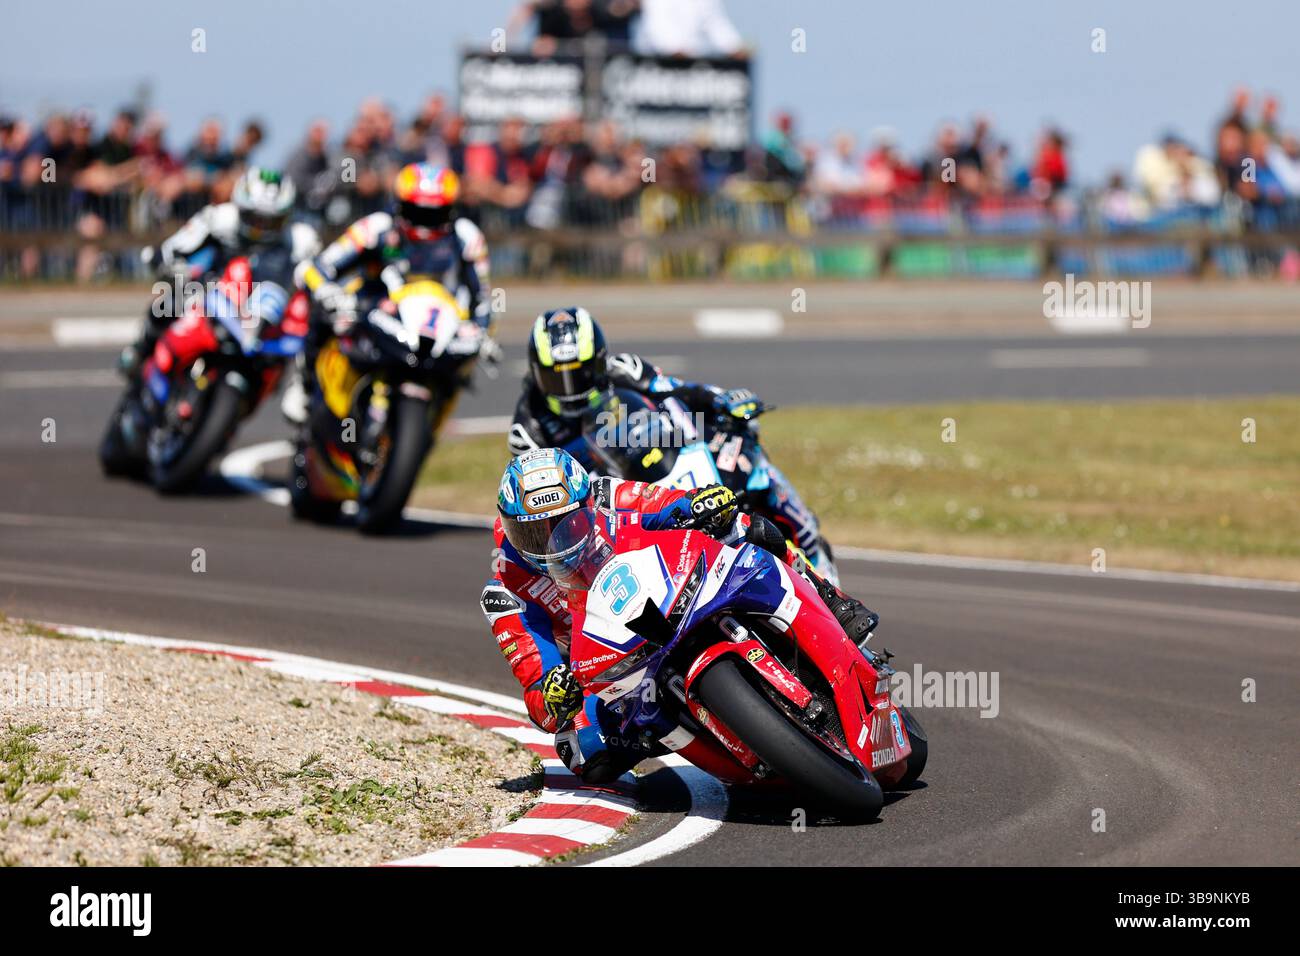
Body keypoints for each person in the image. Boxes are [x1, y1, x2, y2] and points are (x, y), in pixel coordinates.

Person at [482, 448, 879, 783]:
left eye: (566, 523)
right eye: (533, 533)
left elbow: (659, 503)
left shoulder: (605, 494)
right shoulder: (507, 592)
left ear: (586, 505)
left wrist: (698, 503)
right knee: (583, 752)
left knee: (740, 526)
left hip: (662, 590)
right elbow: (536, 685)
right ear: (509, 529)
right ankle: (675, 736)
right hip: (605, 668)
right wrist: (553, 695)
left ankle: (832, 599)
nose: (554, 541)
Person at [507, 306, 838, 581]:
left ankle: (809, 542)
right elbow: (538, 513)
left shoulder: (624, 370)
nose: (568, 388)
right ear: (536, 372)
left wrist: (723, 399)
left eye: (577, 373)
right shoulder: (528, 429)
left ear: (598, 362)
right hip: (602, 507)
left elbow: (678, 389)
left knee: (744, 453)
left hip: (662, 463)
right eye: (556, 376)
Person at [285, 162, 494, 424]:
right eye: (415, 212)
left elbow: (483, 296)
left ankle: (432, 415)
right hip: (373, 307)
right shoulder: (377, 227)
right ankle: (303, 383)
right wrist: (328, 292)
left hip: (435, 321)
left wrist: (482, 331)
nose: (424, 223)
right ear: (399, 205)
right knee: (325, 312)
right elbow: (320, 267)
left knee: (467, 358)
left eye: (434, 214)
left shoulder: (466, 236)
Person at [120, 166, 319, 374]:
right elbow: (178, 246)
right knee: (172, 298)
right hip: (213, 290)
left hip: (262, 310)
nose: (261, 229)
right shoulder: (219, 218)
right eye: (255, 218)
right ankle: (141, 349)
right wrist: (165, 260)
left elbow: (314, 280)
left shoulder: (300, 240)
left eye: (271, 221)